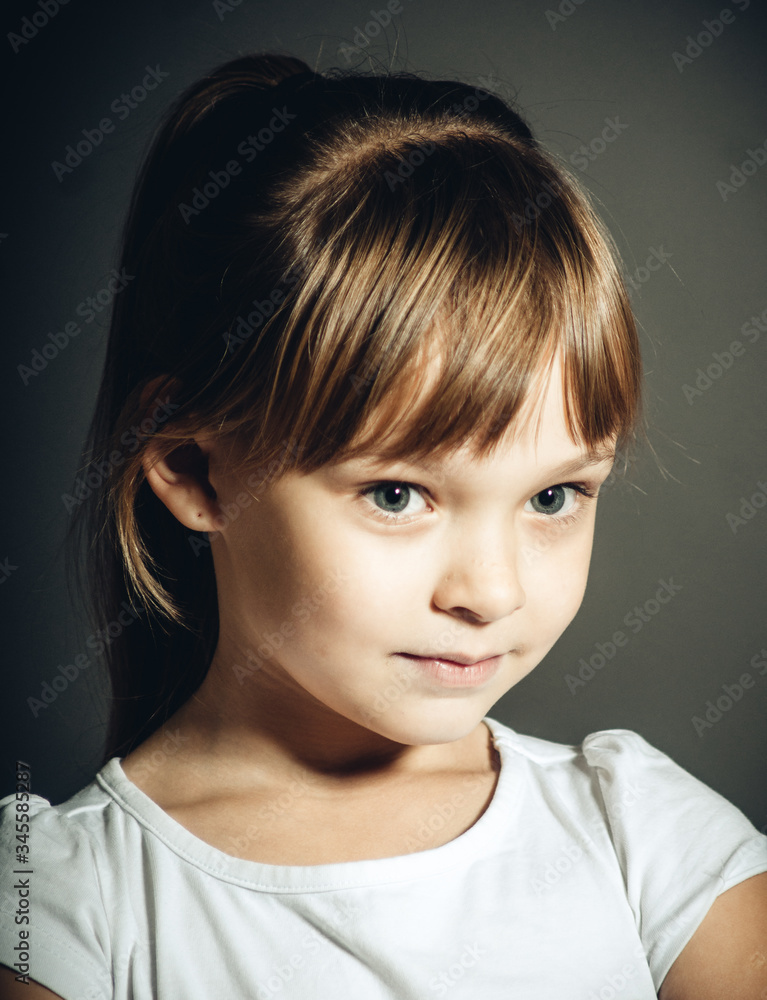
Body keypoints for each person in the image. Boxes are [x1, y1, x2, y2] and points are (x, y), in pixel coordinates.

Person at [1, 51, 766, 1000]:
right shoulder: (61, 907)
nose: (491, 592)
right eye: (398, 495)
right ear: (196, 471)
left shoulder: (646, 839)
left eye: (553, 497)